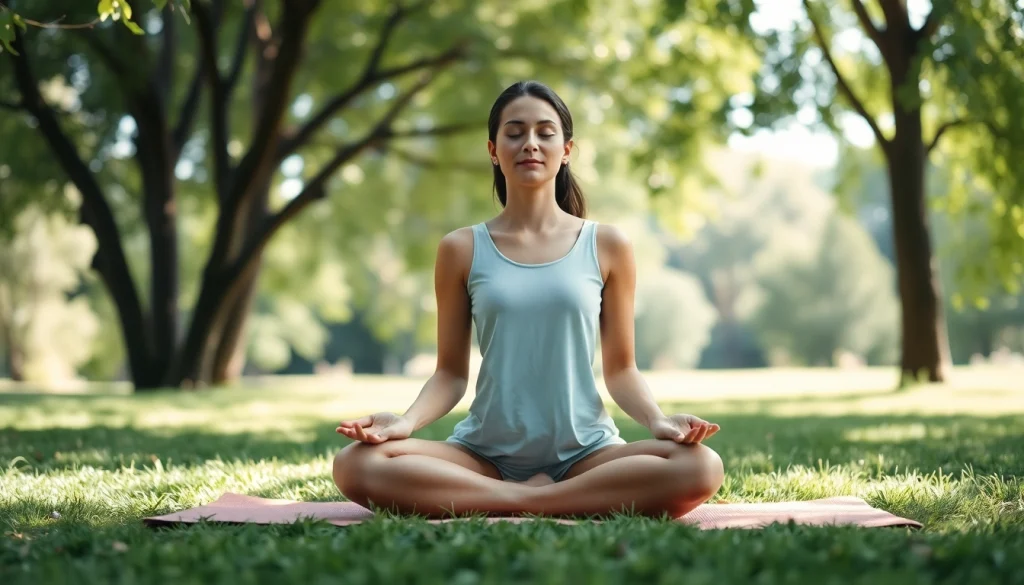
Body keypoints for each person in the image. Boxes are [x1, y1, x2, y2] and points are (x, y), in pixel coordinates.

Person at [332, 80, 724, 519]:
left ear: (567, 148)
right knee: (355, 463)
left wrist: (657, 421)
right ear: (493, 150)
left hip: (586, 454)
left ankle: (524, 500)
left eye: (545, 132)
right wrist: (404, 423)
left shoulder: (608, 244)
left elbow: (622, 369)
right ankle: (535, 500)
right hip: (484, 456)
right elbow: (449, 374)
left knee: (701, 466)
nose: (530, 144)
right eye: (515, 132)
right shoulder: (461, 249)